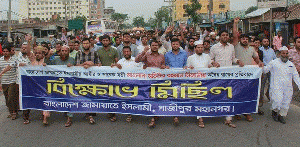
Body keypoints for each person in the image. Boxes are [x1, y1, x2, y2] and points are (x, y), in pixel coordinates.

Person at [210, 30, 244, 128]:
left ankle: (228, 118)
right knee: (217, 94)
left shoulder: (231, 47)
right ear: (219, 37)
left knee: (229, 95)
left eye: (226, 35)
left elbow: (233, 58)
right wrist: (213, 63)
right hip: (218, 76)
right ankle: (214, 113)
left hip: (229, 75)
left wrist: (238, 61)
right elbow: (210, 59)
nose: (225, 36)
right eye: (223, 35)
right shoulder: (214, 47)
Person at [232, 17, 264, 121]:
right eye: (243, 38)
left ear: (248, 40)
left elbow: (256, 59)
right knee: (237, 93)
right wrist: (235, 23)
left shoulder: (251, 49)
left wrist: (260, 63)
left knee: (247, 94)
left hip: (248, 75)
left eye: (246, 39)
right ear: (240, 40)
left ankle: (247, 113)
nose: (245, 40)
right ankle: (237, 112)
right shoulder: (236, 46)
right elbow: (234, 35)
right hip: (237, 74)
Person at [263, 46, 300, 124]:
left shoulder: (291, 64)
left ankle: (281, 115)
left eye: (287, 53)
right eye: (283, 53)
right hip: (276, 86)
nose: (285, 55)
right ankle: (274, 111)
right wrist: (260, 67)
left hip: (288, 87)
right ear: (279, 54)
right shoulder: (274, 62)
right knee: (277, 101)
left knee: (286, 102)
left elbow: (296, 76)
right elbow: (265, 70)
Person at [135, 40, 166, 128]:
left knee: (157, 98)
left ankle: (155, 113)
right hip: (148, 81)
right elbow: (137, 60)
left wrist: (164, 67)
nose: (155, 47)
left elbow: (164, 66)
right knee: (150, 98)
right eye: (153, 45)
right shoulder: (147, 54)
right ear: (150, 46)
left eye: (156, 45)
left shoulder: (162, 56)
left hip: (159, 80)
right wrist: (144, 51)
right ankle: (152, 118)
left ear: (158, 46)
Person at [185, 40, 215, 128]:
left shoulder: (207, 56)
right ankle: (200, 118)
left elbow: (210, 65)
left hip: (206, 81)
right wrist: (189, 68)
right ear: (195, 48)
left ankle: (206, 114)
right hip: (195, 82)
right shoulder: (190, 58)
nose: (200, 49)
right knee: (198, 99)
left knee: (206, 98)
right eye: (198, 47)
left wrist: (212, 65)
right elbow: (186, 69)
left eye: (201, 47)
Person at [75, 38, 101, 124]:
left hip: (92, 79)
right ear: (82, 44)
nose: (85, 45)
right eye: (84, 43)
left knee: (92, 95)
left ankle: (90, 114)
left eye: (87, 43)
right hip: (82, 79)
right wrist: (84, 64)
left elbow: (99, 64)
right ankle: (89, 114)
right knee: (84, 95)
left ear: (90, 44)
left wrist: (92, 65)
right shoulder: (79, 53)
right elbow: (76, 65)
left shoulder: (95, 52)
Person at [111, 46, 140, 122]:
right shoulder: (120, 61)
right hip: (123, 84)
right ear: (123, 53)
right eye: (125, 52)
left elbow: (143, 69)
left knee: (131, 100)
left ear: (131, 52)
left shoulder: (136, 61)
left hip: (134, 83)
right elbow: (113, 71)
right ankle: (116, 114)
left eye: (128, 51)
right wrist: (114, 66)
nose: (126, 53)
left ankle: (130, 114)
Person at [164, 38, 188, 126]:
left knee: (180, 96)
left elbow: (186, 64)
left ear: (179, 45)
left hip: (181, 78)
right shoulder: (167, 54)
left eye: (176, 44)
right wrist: (166, 67)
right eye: (173, 44)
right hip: (170, 78)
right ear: (171, 45)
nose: (175, 46)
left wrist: (186, 67)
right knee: (172, 95)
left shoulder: (184, 54)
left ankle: (177, 114)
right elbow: (166, 64)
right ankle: (175, 115)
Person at [0, 46, 19, 120]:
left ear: (9, 52)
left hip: (12, 81)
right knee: (7, 98)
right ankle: (11, 111)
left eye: (6, 51)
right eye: (4, 51)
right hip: (4, 81)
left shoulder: (14, 59)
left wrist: (2, 72)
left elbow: (9, 67)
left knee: (11, 97)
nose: (5, 53)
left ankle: (14, 112)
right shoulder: (0, 60)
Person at [260, 38, 277, 103]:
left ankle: (268, 94)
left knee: (272, 83)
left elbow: (275, 59)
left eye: (267, 41)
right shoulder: (260, 50)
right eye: (264, 41)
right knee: (262, 84)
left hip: (271, 69)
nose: (266, 43)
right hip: (263, 69)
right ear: (262, 42)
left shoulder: (272, 50)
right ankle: (261, 98)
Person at [288, 37, 300, 103]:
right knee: (294, 91)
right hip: (294, 75)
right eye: (299, 42)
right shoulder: (290, 52)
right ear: (294, 43)